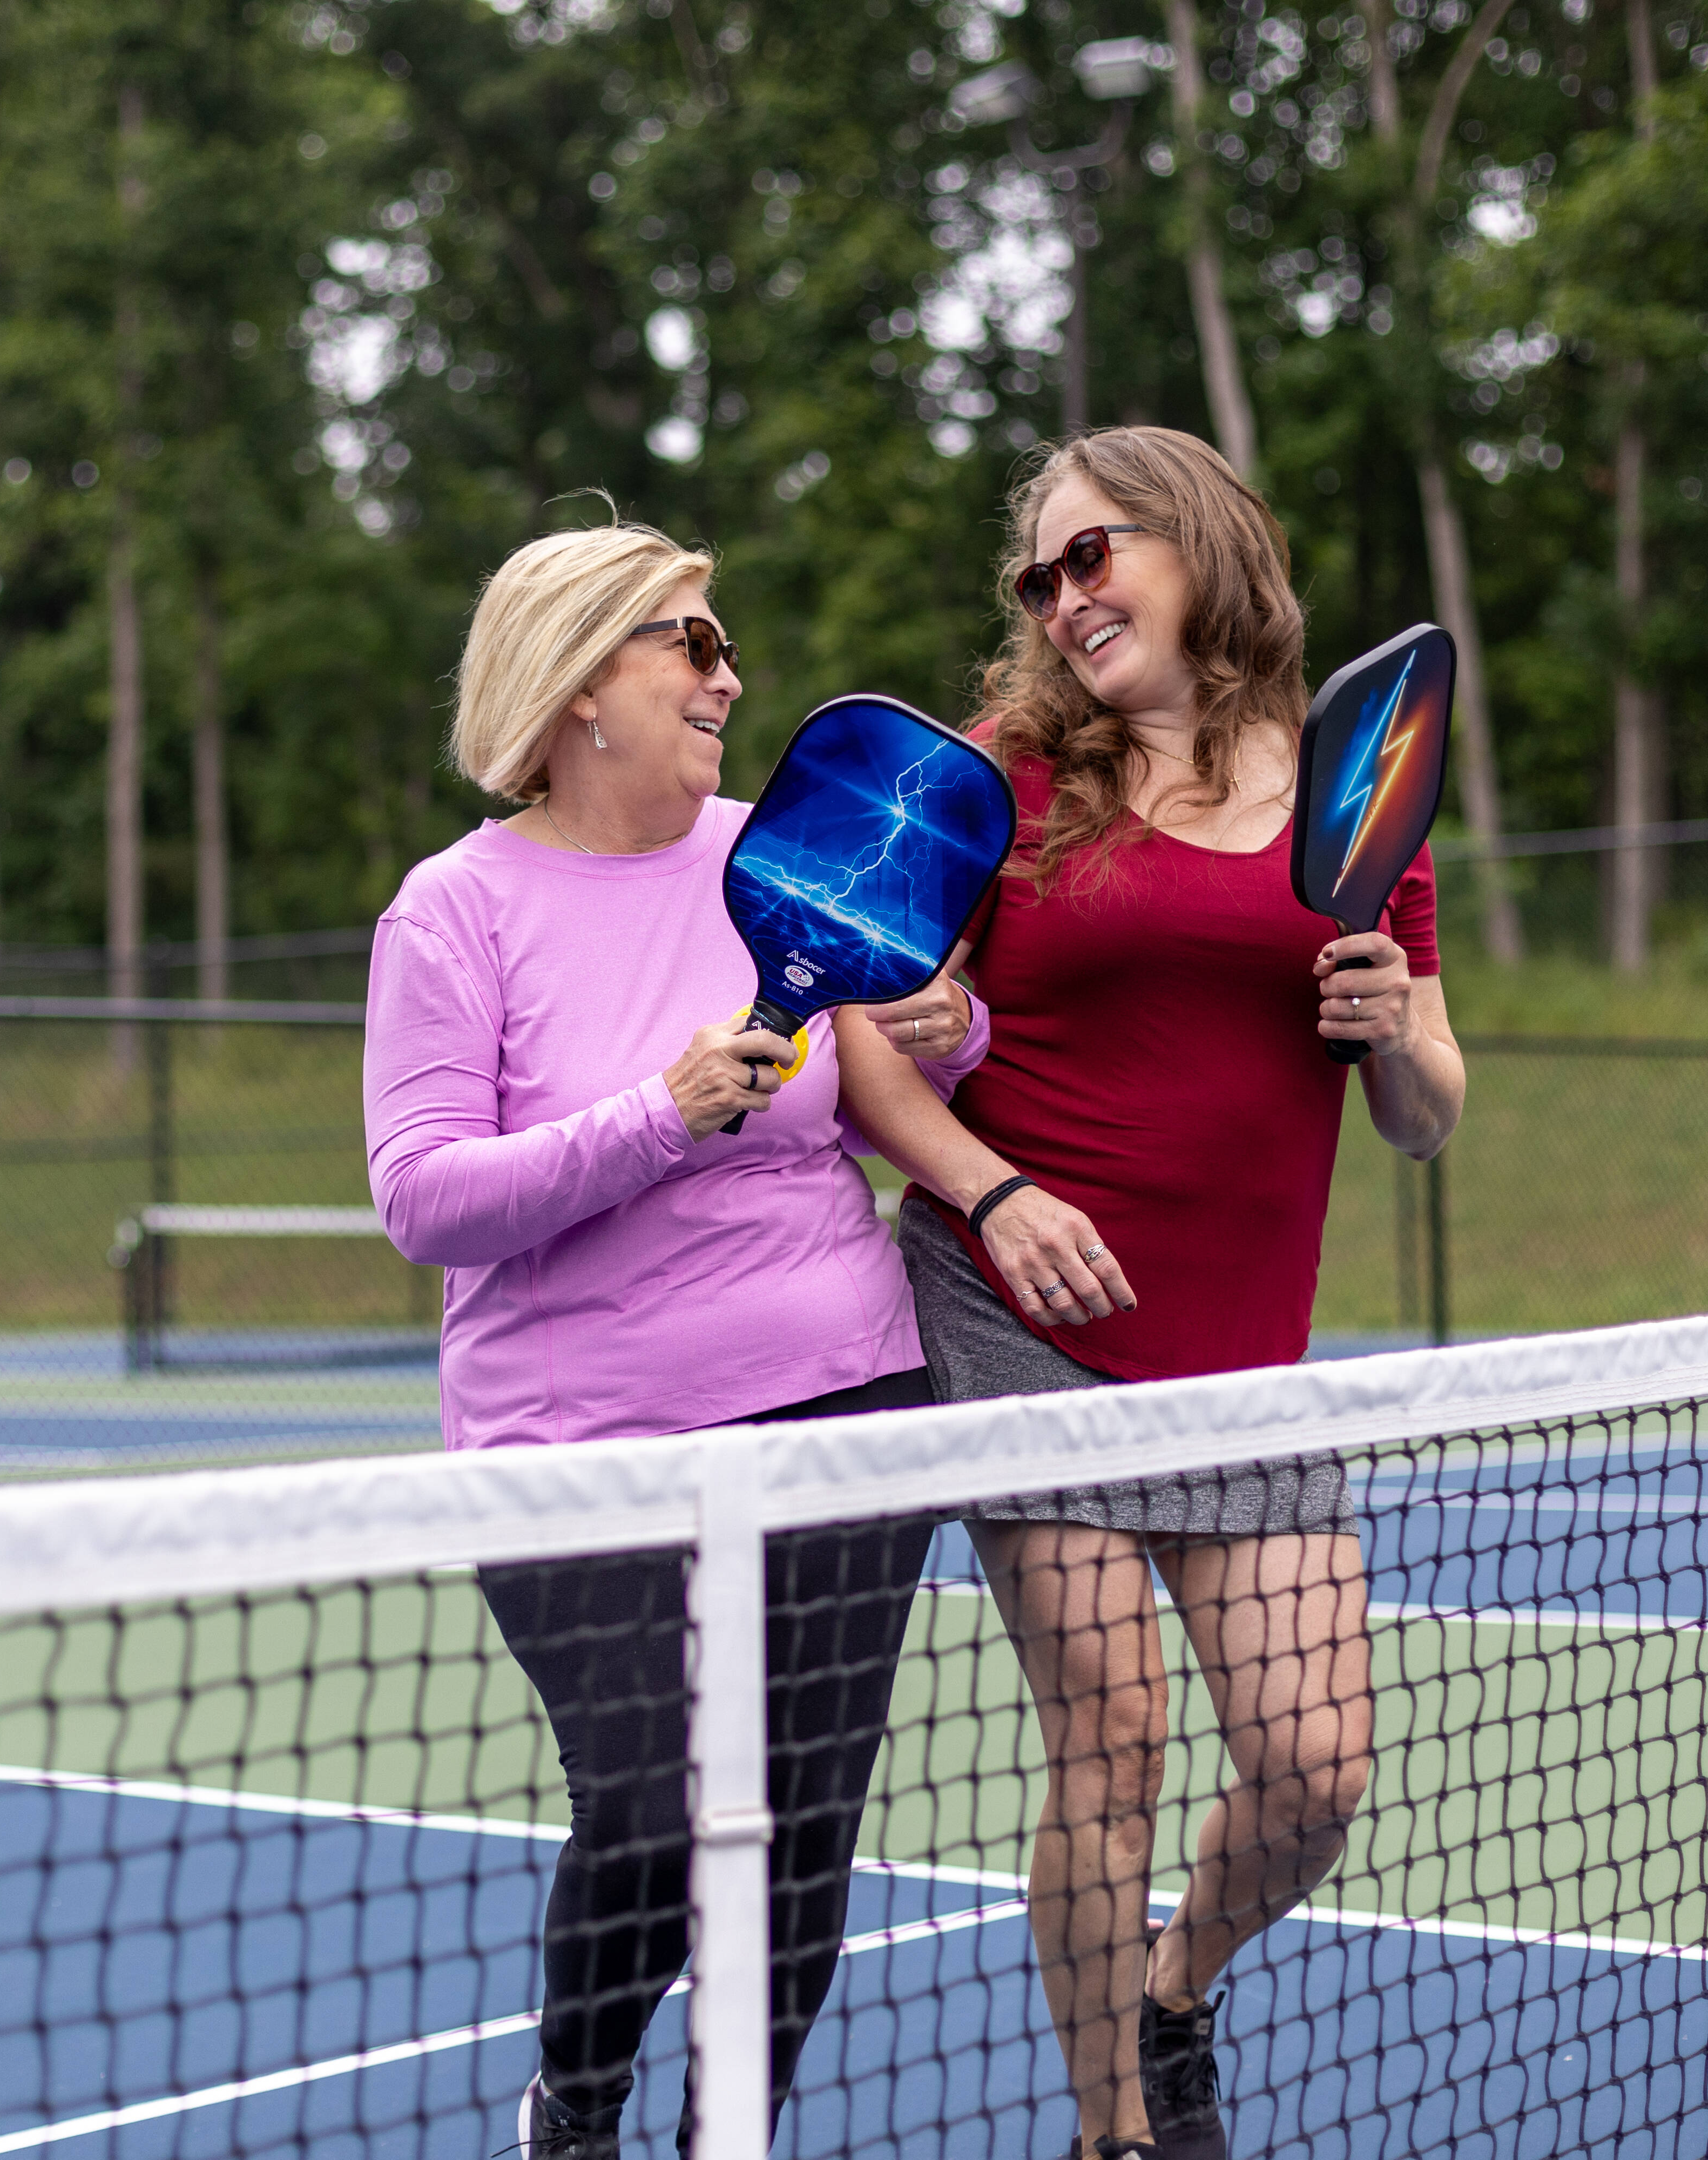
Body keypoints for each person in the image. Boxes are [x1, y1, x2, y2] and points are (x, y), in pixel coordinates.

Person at [835, 427, 1468, 2160]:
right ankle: (1118, 2133)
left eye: (1092, 553)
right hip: (1014, 1315)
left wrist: (1393, 1029)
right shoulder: (999, 786)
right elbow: (871, 1059)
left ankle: (1177, 1988)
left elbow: (1424, 1112)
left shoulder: (1355, 788)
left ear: (1197, 541)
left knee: (1316, 1771)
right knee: (1109, 1743)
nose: (1066, 596)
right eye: (1040, 577)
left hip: (1243, 1368)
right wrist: (995, 1189)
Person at [362, 514, 988, 2160]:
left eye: (724, 642)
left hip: (843, 1403)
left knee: (800, 1836)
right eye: (692, 644)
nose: (732, 675)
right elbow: (425, 1200)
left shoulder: (781, 856)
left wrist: (952, 1028)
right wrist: (659, 1113)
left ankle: (735, 2139)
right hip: (580, 1460)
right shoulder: (455, 911)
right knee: (646, 1812)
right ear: (582, 686)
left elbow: (871, 1087)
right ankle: (578, 2106)